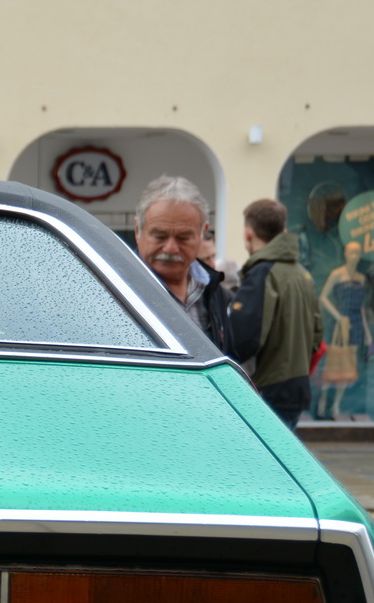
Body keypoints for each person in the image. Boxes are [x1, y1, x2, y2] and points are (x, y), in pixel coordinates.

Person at [234, 199, 322, 432]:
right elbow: (316, 338)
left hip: (269, 391)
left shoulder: (262, 274)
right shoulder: (303, 275)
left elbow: (243, 340)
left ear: (248, 233)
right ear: (283, 231)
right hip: (297, 388)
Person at [133, 175, 236, 355]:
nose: (171, 248)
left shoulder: (214, 291)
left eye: (183, 238)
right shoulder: (116, 290)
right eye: (159, 236)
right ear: (137, 230)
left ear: (203, 233)